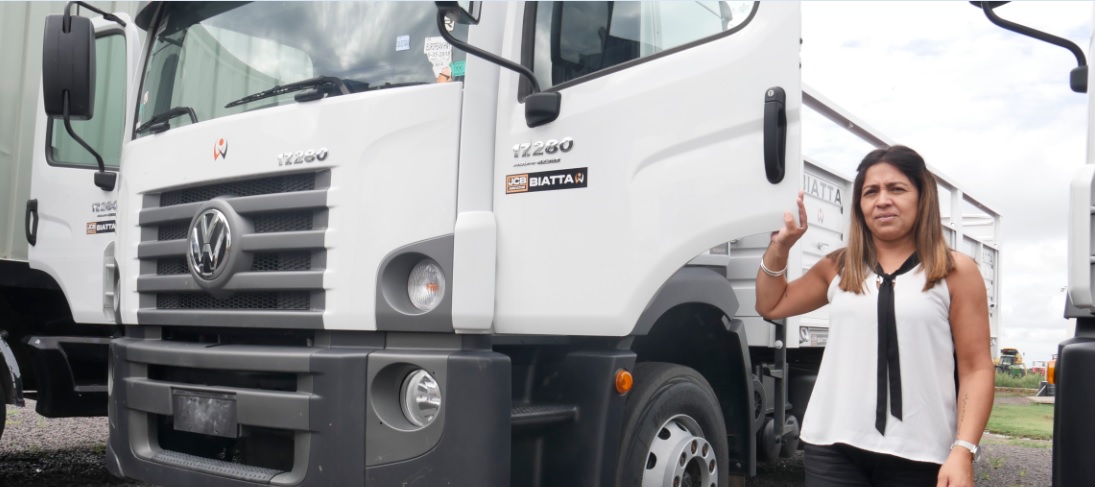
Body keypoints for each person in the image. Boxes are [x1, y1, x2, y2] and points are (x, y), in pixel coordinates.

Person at [755, 145, 994, 487]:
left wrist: (963, 450)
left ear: (922, 197)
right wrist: (780, 248)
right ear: (859, 205)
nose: (882, 200)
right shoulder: (838, 266)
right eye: (871, 192)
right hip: (834, 447)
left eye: (896, 189)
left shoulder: (955, 271)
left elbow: (976, 369)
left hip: (921, 451)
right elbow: (771, 305)